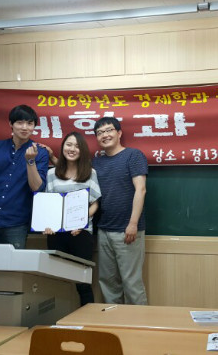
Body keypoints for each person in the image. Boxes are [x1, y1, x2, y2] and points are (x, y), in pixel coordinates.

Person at [34, 132, 101, 306]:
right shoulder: (51, 174)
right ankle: (58, 319)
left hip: (81, 232)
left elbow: (95, 204)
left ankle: (87, 319)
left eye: (77, 146)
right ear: (63, 147)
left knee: (83, 283)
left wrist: (81, 222)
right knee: (56, 281)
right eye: (69, 145)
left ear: (82, 150)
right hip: (56, 233)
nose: (72, 149)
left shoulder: (90, 173)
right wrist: (47, 225)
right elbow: (49, 204)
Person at [0, 104, 53, 249]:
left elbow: (36, 188)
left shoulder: (40, 153)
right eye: (20, 122)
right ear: (11, 124)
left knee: (14, 263)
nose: (25, 127)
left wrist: (30, 161)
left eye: (29, 123)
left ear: (34, 126)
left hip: (17, 223)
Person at [92, 117, 149, 305]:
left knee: (132, 284)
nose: (105, 135)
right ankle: (114, 321)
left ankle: (139, 323)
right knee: (108, 283)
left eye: (109, 130)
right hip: (103, 230)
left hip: (127, 230)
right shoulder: (96, 162)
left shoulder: (133, 155)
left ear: (119, 133)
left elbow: (141, 189)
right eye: (100, 133)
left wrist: (133, 223)